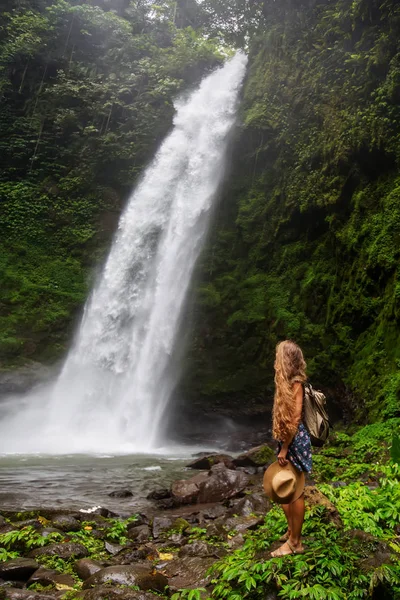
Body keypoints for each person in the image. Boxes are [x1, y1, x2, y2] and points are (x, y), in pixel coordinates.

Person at [269, 340, 312, 556]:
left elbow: (294, 421)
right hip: (287, 440)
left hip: (294, 441)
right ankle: (291, 530)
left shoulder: (296, 384)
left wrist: (284, 448)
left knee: (295, 492)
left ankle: (295, 542)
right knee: (285, 488)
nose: (276, 359)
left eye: (279, 356)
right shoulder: (286, 383)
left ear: (286, 359)